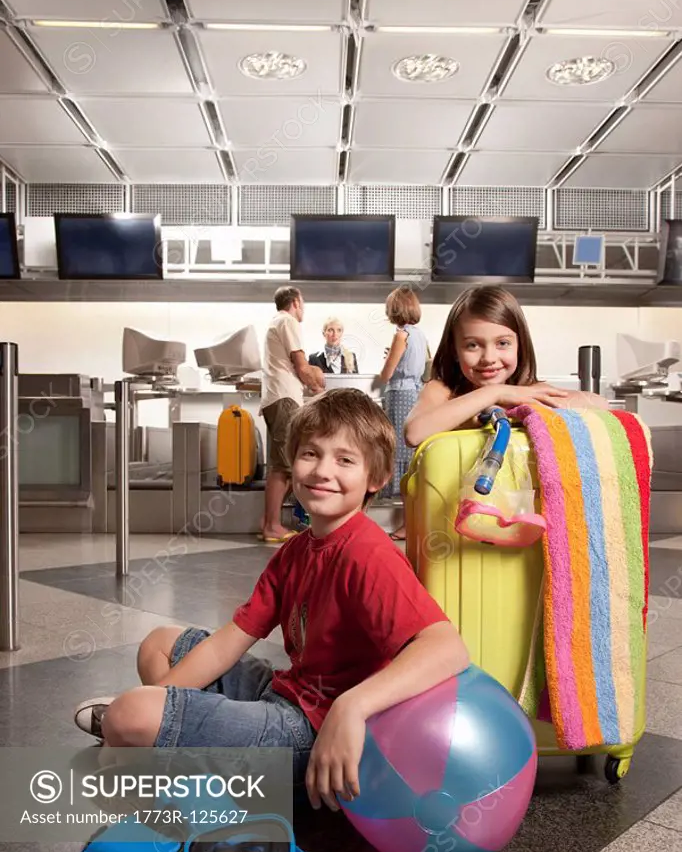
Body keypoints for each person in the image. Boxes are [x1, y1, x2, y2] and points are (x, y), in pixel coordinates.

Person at [73, 389, 470, 813]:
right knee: (158, 644)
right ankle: (178, 752)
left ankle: (175, 762)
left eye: (345, 460)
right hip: (286, 693)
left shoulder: (368, 553)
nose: (322, 471)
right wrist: (167, 704)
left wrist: (351, 707)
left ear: (376, 478)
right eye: (310, 454)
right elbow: (230, 641)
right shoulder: (295, 551)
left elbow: (448, 648)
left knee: (128, 714)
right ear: (292, 463)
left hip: (312, 734)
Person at [404, 285, 608, 447]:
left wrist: (527, 404)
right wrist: (495, 393)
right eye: (472, 345)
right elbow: (414, 434)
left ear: (520, 346)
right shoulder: (443, 391)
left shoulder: (528, 392)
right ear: (454, 351)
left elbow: (600, 405)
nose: (489, 357)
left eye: (502, 343)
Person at [260, 285, 325, 544]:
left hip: (277, 398)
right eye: (303, 303)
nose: (304, 308)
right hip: (284, 398)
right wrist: (318, 383)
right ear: (296, 302)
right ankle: (272, 526)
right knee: (284, 468)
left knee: (281, 464)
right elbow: (302, 366)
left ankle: (268, 521)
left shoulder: (276, 322)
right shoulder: (287, 321)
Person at [377, 287, 429, 541]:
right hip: (415, 394)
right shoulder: (419, 336)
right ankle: (414, 524)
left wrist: (387, 361)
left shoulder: (401, 335)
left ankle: (406, 526)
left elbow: (386, 374)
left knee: (400, 457)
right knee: (412, 459)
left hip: (400, 395)